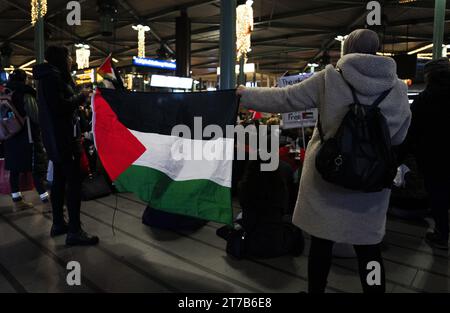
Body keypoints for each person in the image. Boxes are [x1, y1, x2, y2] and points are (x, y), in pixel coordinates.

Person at [237, 29, 411, 293]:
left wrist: (244, 94)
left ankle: (316, 292)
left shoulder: (330, 78)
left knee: (321, 244)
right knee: (369, 250)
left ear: (347, 49)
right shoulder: (397, 88)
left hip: (329, 175)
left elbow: (285, 98)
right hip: (372, 182)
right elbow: (399, 135)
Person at [33, 46, 99, 246]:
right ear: (62, 59)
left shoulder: (47, 78)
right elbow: (60, 107)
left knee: (60, 182)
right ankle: (75, 231)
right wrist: (81, 97)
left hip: (55, 140)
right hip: (65, 141)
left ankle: (59, 223)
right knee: (74, 183)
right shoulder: (52, 78)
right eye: (69, 56)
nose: (71, 59)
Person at [402, 58, 450, 250]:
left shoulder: (424, 99)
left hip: (433, 157)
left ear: (430, 76)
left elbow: (410, 130)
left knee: (438, 193)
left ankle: (441, 234)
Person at [4, 69, 48, 212]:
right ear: (24, 80)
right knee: (37, 169)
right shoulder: (26, 94)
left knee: (14, 170)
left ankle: (17, 200)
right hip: (27, 137)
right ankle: (46, 201)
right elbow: (36, 116)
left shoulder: (6, 93)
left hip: (9, 137)